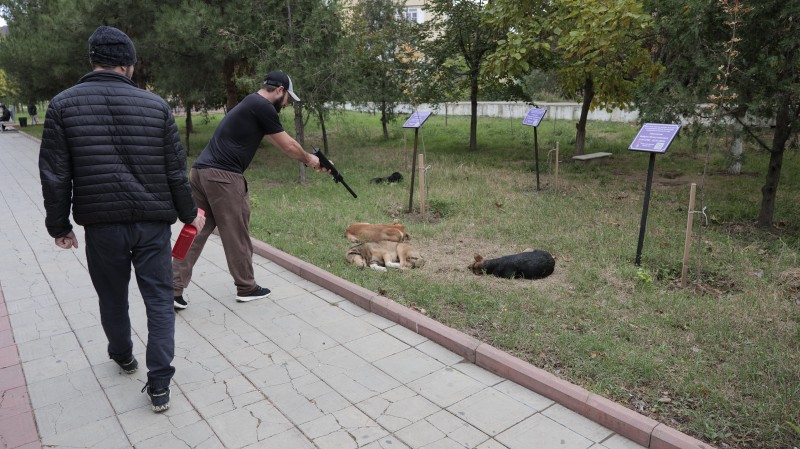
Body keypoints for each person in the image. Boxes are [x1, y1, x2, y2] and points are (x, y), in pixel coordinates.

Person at [39, 25, 204, 413]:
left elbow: (55, 174)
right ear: (129, 64)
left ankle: (123, 356)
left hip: (101, 226)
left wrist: (59, 226)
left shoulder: (62, 105)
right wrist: (188, 213)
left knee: (112, 296)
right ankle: (160, 382)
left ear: (93, 61)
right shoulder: (156, 106)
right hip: (152, 224)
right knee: (160, 300)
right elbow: (175, 172)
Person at [172, 70, 324, 309]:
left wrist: (313, 159)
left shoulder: (250, 104)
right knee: (236, 231)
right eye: (287, 99)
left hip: (201, 172)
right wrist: (309, 159)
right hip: (223, 177)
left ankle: (172, 288)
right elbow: (289, 146)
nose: (285, 105)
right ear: (280, 91)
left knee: (195, 230)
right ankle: (247, 287)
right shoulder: (263, 106)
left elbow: (277, 141)